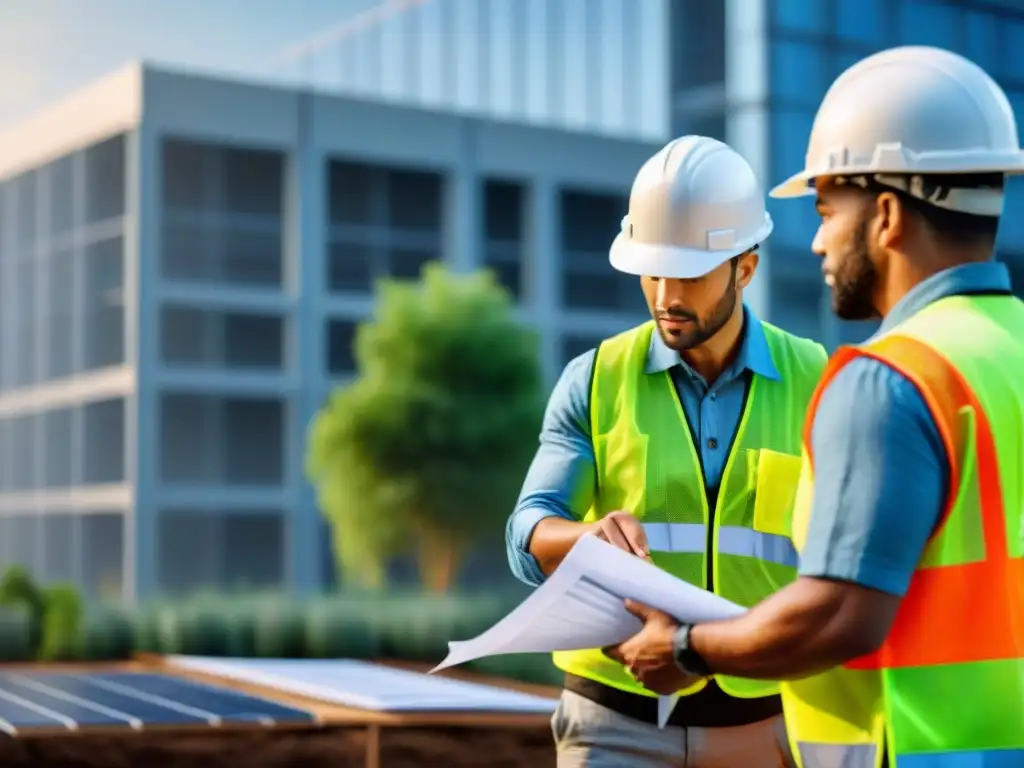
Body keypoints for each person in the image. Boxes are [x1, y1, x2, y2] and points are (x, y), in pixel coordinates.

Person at [607, 46, 1024, 768]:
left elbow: (838, 614)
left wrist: (684, 647)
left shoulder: (890, 381)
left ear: (887, 215)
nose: (817, 239)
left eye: (828, 209)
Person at [505, 134, 828, 767]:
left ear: (746, 267)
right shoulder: (594, 379)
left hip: (764, 726)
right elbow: (525, 531)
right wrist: (584, 537)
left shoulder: (816, 380)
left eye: (688, 273)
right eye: (651, 270)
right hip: (611, 721)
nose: (665, 297)